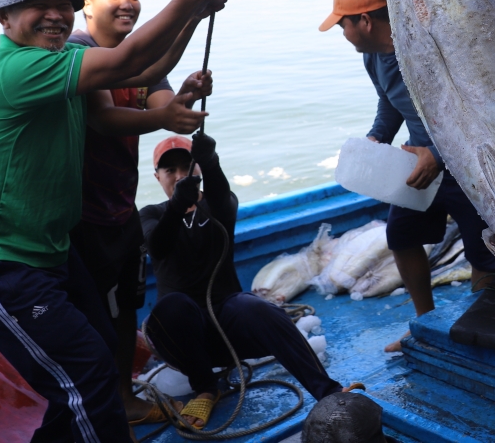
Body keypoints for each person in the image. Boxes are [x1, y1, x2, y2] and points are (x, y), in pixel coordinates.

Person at [0, 0, 232, 443]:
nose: (56, 15)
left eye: (63, 5)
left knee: (95, 354)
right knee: (88, 372)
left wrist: (195, 14)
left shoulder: (58, 62)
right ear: (4, 18)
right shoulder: (20, 68)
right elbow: (130, 61)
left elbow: (147, 67)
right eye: (39, 5)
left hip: (47, 247)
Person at [321, 0, 495, 353]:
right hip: (418, 163)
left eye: (342, 25)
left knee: (484, 253)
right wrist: (376, 139)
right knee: (401, 236)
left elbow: (476, 110)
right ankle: (425, 324)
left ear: (365, 21)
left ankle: (484, 334)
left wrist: (437, 156)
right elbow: (389, 102)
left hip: (468, 166)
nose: (342, 33)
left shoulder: (426, 52)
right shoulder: (373, 56)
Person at [67, 0, 214, 425]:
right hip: (81, 217)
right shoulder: (76, 50)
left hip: (120, 210)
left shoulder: (142, 60)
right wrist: (192, 6)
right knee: (92, 316)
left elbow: (163, 104)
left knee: (125, 309)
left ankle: (124, 396)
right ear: (86, 4)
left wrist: (185, 97)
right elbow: (104, 117)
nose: (127, 2)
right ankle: (99, 407)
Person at [140, 134, 345, 430]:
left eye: (187, 167)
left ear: (197, 170)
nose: (179, 175)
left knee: (256, 306)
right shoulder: (151, 214)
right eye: (169, 170)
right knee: (173, 307)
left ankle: (329, 391)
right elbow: (157, 245)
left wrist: (211, 162)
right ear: (157, 177)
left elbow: (222, 197)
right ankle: (206, 388)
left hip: (229, 336)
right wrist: (176, 207)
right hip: (181, 343)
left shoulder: (218, 206)